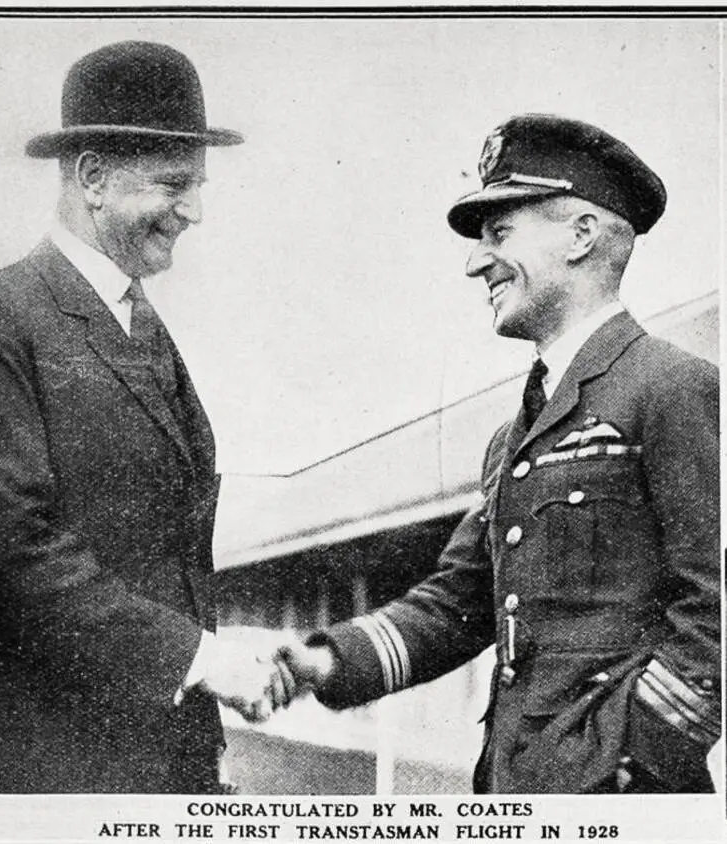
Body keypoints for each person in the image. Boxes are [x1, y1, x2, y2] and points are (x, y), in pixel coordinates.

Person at [276, 114, 721, 794]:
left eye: (500, 233)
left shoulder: (673, 387)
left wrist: (632, 759)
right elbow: (461, 602)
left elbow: (714, 604)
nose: (475, 261)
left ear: (582, 236)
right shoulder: (512, 438)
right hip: (511, 787)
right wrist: (325, 661)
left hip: (621, 799)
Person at [0, 40, 294, 794]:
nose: (195, 211)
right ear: (92, 178)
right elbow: (11, 548)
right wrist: (196, 657)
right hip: (56, 769)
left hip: (162, 759)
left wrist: (208, 659)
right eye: (174, 185)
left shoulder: (137, 321)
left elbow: (164, 555)